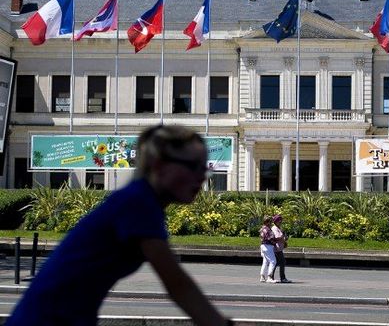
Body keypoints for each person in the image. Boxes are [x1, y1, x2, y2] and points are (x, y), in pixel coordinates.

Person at [6, 125, 232, 326]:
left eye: (205, 168)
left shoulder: (140, 200)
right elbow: (178, 284)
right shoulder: (138, 202)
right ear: (159, 165)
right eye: (193, 166)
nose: (203, 177)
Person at [271, 214, 291, 283]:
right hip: (277, 248)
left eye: (281, 220)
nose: (280, 221)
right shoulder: (274, 228)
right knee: (282, 262)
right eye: (279, 220)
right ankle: (282, 278)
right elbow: (277, 237)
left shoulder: (278, 228)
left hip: (279, 248)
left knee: (276, 263)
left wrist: (284, 239)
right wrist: (283, 238)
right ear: (275, 221)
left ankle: (271, 277)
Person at [259, 216, 277, 283]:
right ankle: (269, 277)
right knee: (273, 261)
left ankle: (262, 276)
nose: (271, 223)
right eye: (270, 222)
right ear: (267, 222)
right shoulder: (267, 229)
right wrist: (275, 242)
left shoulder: (262, 229)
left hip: (263, 246)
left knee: (265, 261)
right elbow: (270, 238)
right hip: (268, 246)